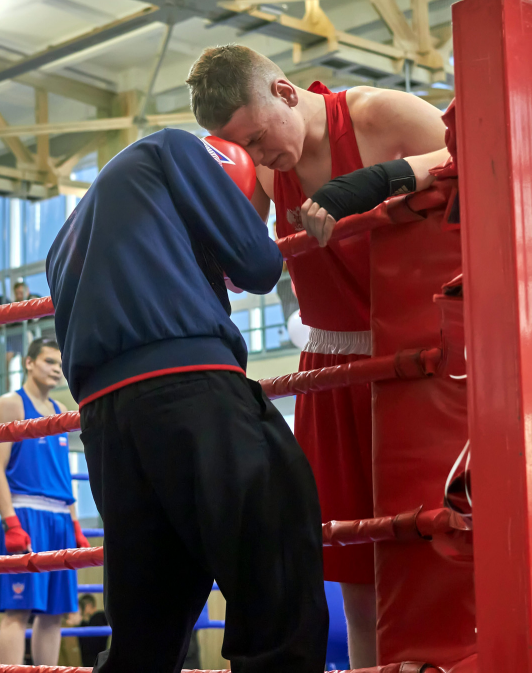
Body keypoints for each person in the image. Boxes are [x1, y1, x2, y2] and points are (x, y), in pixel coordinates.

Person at [187, 44, 448, 667]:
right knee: (357, 570)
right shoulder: (259, 169)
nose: (257, 156)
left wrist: (383, 178)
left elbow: (478, 150)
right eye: (238, 148)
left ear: (282, 93)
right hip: (330, 374)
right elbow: (234, 263)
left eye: (256, 136)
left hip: (414, 367)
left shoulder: (378, 114)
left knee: (437, 546)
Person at [47, 128, 327, 673]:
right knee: (279, 577)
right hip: (191, 391)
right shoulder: (176, 148)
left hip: (106, 423)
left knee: (146, 629)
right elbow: (259, 265)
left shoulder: (70, 235)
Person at [0, 337, 88, 667]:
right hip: (26, 514)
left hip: (59, 517)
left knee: (55, 612)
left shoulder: (61, 411)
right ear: (29, 363)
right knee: (18, 609)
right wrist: (11, 522)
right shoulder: (10, 404)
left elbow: (63, 475)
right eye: (48, 361)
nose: (56, 369)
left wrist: (74, 523)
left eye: (60, 364)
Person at [75, 594, 108, 667]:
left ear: (88, 605)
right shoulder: (101, 620)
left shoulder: (98, 618)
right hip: (97, 662)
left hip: (93, 662)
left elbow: (88, 645)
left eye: (82, 606)